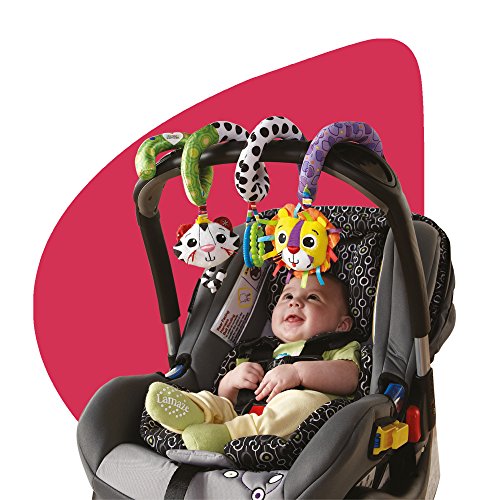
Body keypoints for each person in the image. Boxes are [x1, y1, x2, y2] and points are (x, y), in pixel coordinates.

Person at [145, 274, 360, 453]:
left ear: (341, 325)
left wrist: (298, 373)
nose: (295, 302)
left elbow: (350, 378)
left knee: (303, 403)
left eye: (313, 297)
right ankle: (195, 413)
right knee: (216, 402)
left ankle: (225, 436)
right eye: (288, 296)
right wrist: (230, 382)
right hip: (242, 414)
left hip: (292, 429)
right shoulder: (255, 350)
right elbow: (228, 399)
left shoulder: (337, 347)